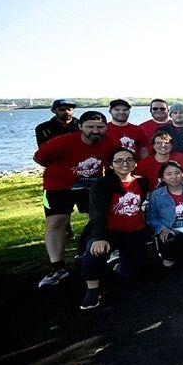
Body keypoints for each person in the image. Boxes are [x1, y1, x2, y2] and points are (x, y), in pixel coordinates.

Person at [33, 111, 114, 288]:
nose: (95, 130)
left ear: (105, 128)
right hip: (58, 187)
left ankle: (83, 252)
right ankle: (57, 267)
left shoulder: (110, 141)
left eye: (99, 127)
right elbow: (39, 158)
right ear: (80, 127)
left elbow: (114, 161)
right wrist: (62, 169)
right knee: (57, 223)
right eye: (90, 127)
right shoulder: (63, 141)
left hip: (89, 185)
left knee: (98, 218)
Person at [79, 148, 149, 309]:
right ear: (111, 165)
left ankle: (115, 262)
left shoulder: (141, 182)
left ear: (135, 162)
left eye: (129, 159)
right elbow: (97, 212)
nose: (125, 163)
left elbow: (142, 205)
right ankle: (93, 289)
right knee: (94, 252)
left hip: (134, 231)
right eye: (119, 160)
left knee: (131, 272)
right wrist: (98, 237)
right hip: (109, 231)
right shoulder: (102, 185)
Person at [147, 161, 183, 268]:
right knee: (170, 263)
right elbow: (151, 217)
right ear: (163, 178)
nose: (174, 176)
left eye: (177, 173)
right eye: (169, 174)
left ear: (182, 174)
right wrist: (162, 228)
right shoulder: (156, 195)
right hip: (171, 233)